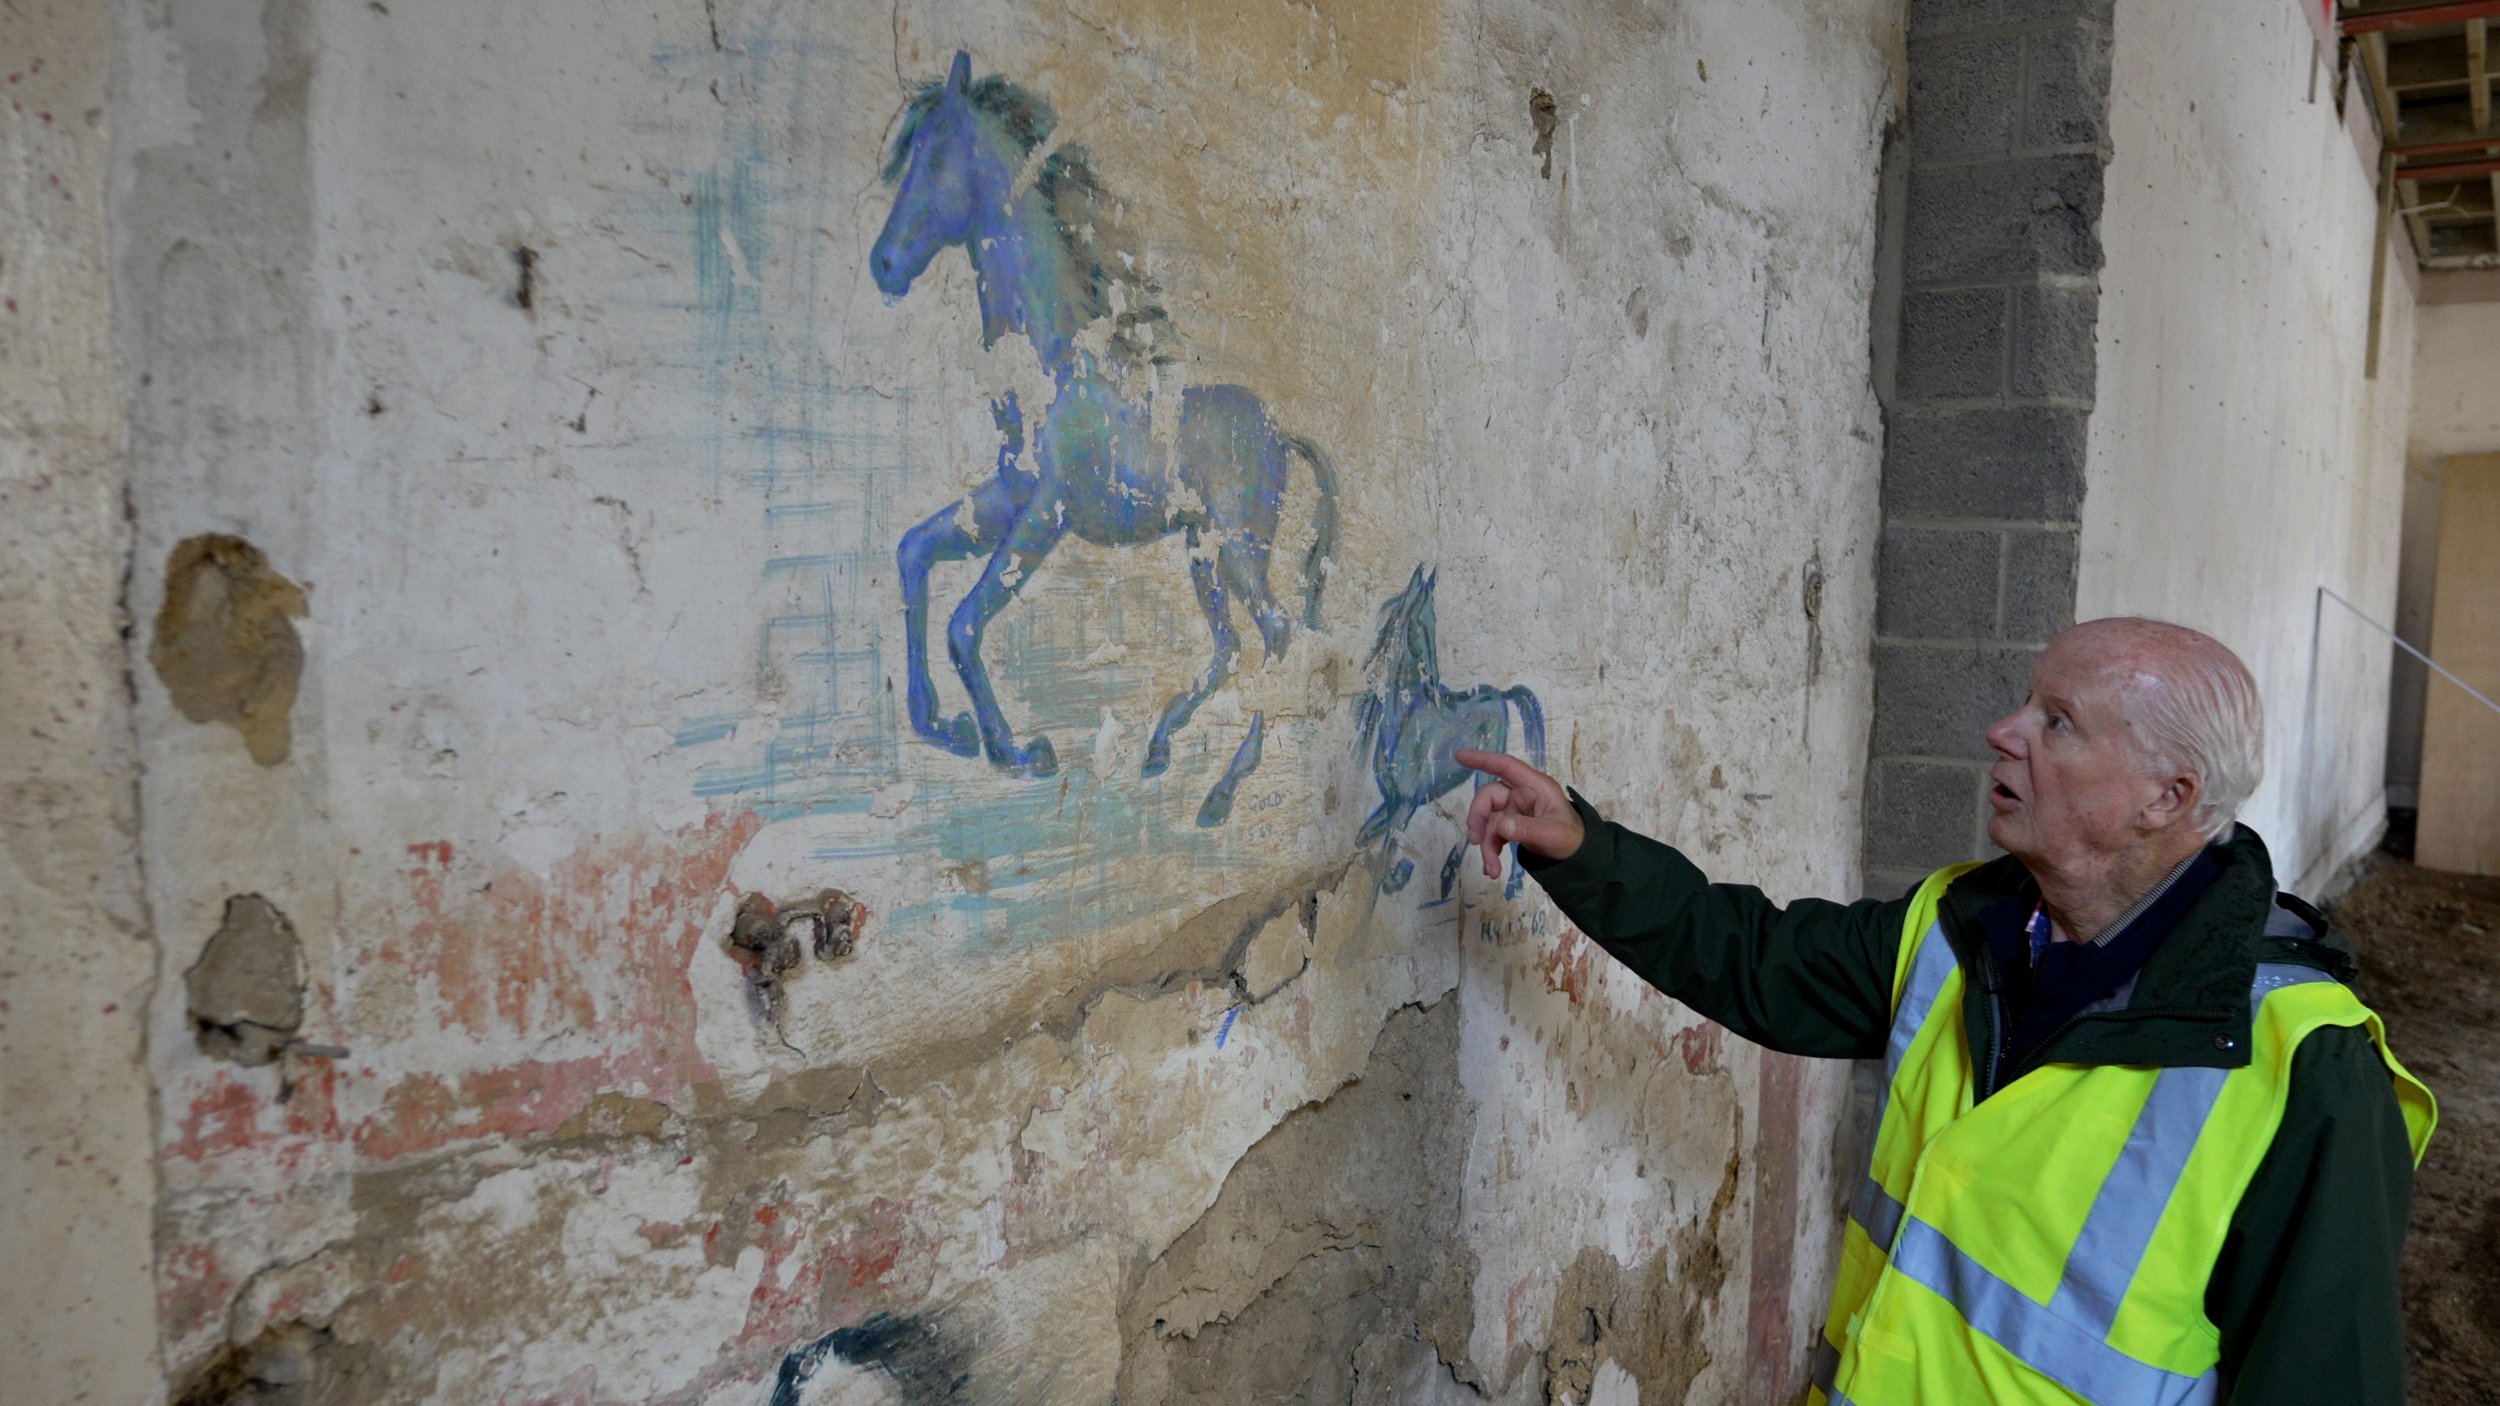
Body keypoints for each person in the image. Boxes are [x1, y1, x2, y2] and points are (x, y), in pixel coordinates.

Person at [1456, 617, 2436, 1406]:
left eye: (2056, 720)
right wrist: (1581, 846)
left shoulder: (2306, 1066)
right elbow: (1753, 959)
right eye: (2025, 701)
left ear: (2165, 796)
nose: (2002, 730)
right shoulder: (1961, 924)